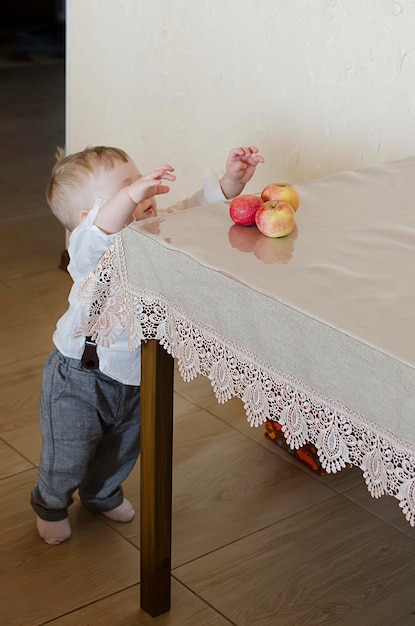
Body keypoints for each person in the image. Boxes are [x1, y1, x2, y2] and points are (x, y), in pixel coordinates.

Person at [31, 144, 264, 544]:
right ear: (89, 218)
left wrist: (232, 183)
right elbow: (102, 229)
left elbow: (195, 210)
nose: (144, 191)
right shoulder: (88, 252)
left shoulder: (153, 231)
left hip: (138, 378)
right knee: (68, 453)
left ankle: (101, 495)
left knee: (122, 450)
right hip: (78, 379)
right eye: (128, 189)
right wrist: (131, 196)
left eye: (140, 181)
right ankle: (51, 502)